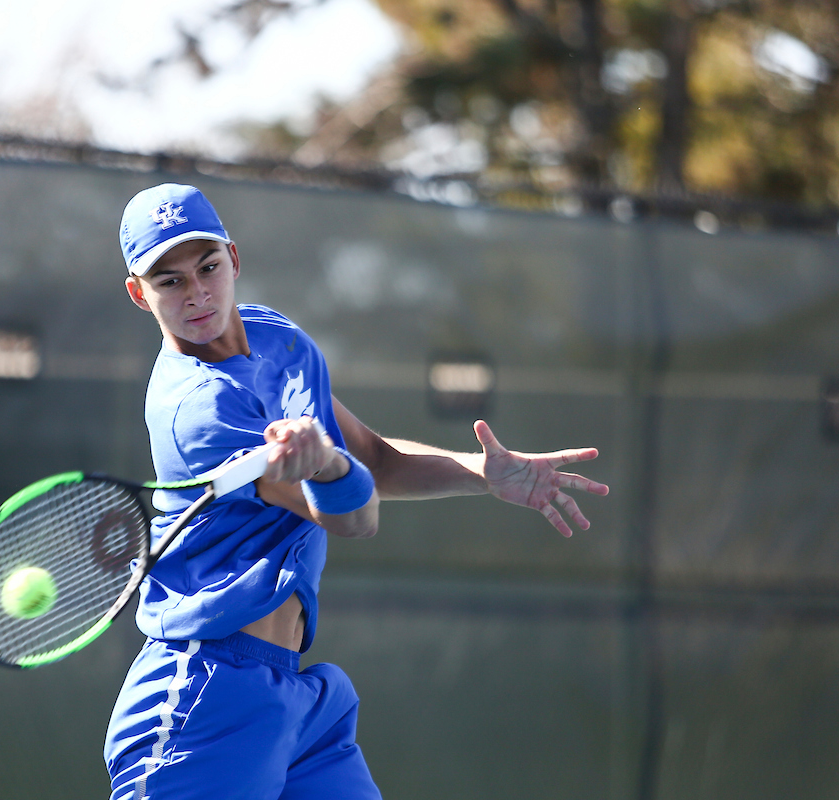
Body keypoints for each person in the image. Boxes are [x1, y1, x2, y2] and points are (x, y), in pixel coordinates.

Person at [103, 183, 609, 800]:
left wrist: (481, 472)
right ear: (138, 293)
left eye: (207, 267)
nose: (198, 292)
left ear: (233, 259)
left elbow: (376, 460)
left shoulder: (273, 340)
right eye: (170, 281)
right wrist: (326, 471)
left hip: (296, 701)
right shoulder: (198, 412)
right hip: (204, 700)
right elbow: (353, 517)